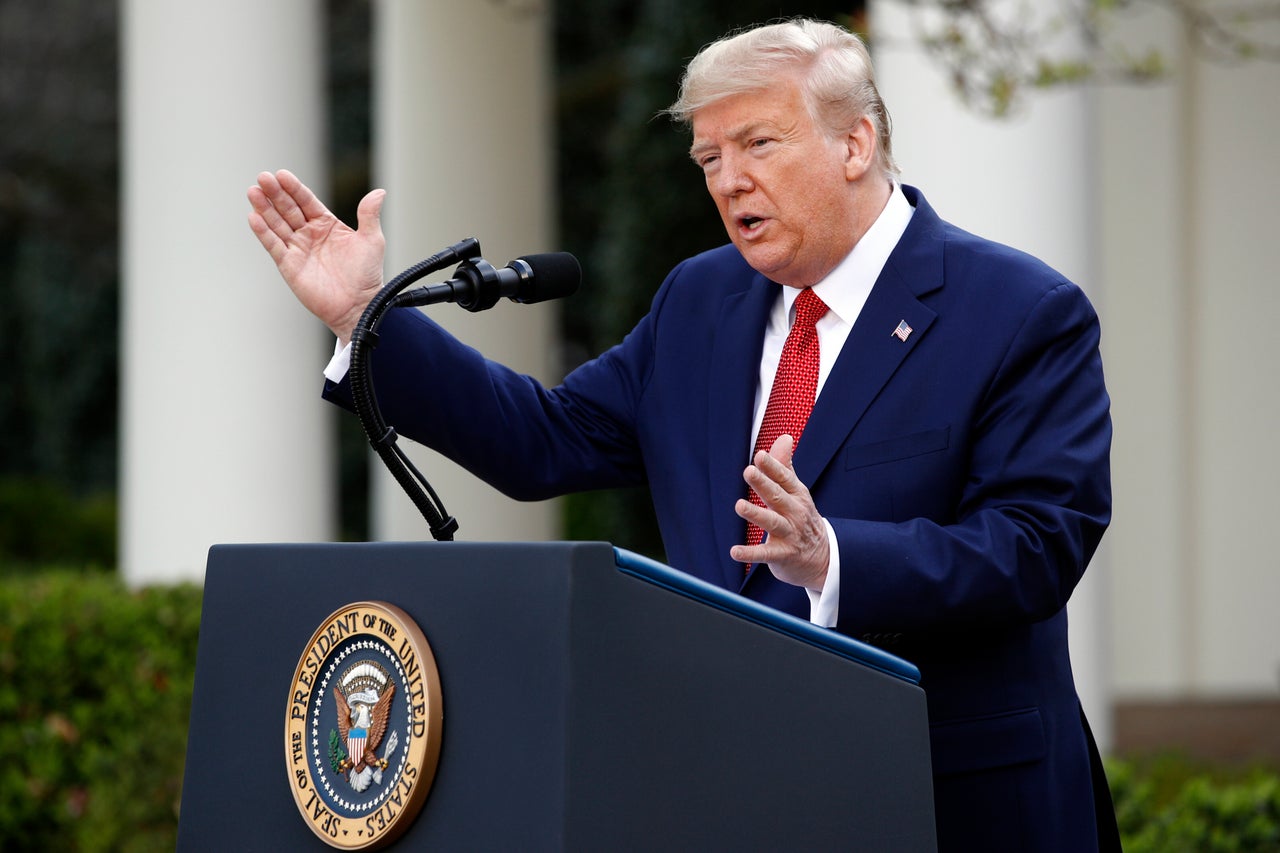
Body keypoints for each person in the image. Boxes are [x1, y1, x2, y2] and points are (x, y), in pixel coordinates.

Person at [248, 18, 1117, 851]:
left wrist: (834, 558)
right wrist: (369, 317)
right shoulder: (701, 302)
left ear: (854, 144)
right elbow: (542, 439)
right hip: (730, 795)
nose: (728, 180)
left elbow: (1037, 545)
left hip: (945, 797)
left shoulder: (1017, 312)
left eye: (758, 145)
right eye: (709, 157)